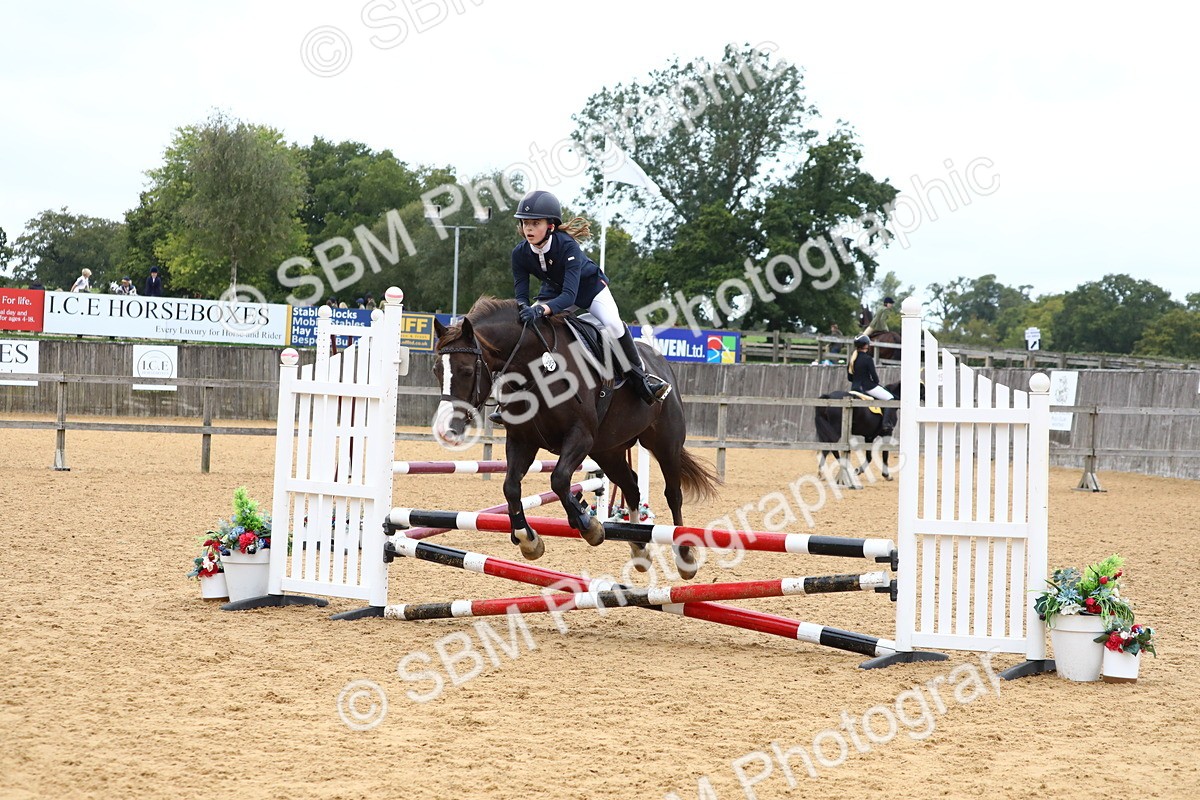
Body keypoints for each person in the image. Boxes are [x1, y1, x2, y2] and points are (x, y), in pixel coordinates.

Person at [509, 189, 670, 405]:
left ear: (551, 226)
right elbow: (521, 293)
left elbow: (569, 296)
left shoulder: (567, 246)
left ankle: (642, 380)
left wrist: (539, 310)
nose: (528, 228)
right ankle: (519, 394)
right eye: (525, 223)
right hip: (554, 292)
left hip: (589, 289)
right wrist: (523, 309)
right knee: (528, 329)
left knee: (613, 324)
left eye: (535, 223)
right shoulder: (519, 253)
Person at [848, 334, 896, 434]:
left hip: (855, 388)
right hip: (868, 387)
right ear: (866, 345)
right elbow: (875, 379)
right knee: (890, 398)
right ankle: (886, 424)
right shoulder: (868, 359)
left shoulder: (852, 359)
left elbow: (850, 377)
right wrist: (875, 383)